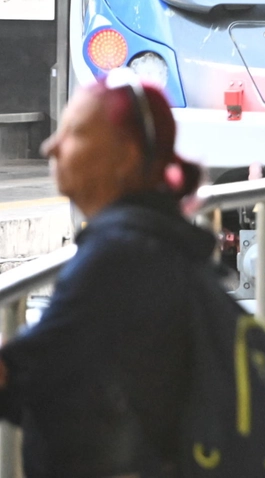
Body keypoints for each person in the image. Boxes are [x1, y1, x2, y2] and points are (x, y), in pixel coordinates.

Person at [0, 76, 210, 475]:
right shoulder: (164, 242)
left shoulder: (117, 258)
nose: (50, 146)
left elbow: (24, 381)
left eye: (75, 133)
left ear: (126, 157)